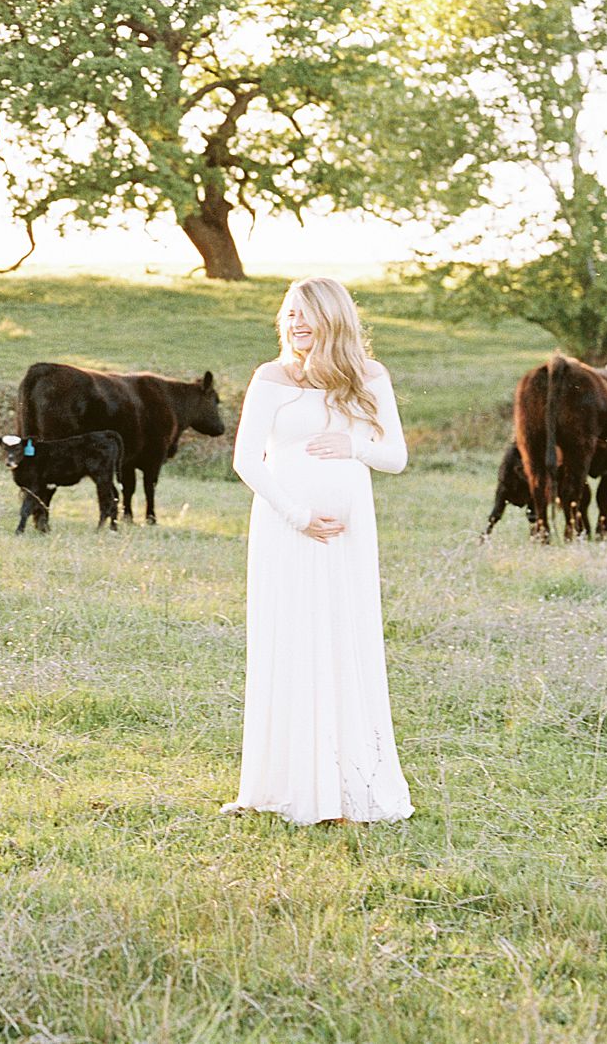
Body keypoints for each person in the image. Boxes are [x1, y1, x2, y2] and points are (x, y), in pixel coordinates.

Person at [222, 276, 414, 826]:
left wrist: (354, 445)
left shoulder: (368, 377)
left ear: (335, 318)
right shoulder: (271, 377)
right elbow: (247, 460)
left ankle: (349, 788)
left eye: (306, 314)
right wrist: (299, 515)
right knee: (290, 641)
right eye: (288, 314)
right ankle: (279, 787)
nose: (295, 323)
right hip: (288, 529)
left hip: (349, 538)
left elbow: (395, 457)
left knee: (342, 640)